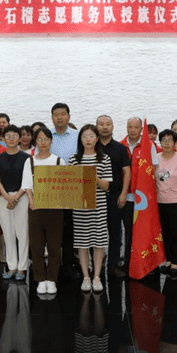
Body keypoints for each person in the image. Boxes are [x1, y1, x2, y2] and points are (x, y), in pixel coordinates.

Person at [68, 124, 113, 293]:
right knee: (82, 242)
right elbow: (69, 185)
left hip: (99, 206)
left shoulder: (104, 158)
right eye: (85, 136)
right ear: (80, 139)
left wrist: (95, 177)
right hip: (80, 207)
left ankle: (97, 277)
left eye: (91, 136)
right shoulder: (74, 159)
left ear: (97, 139)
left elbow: (106, 186)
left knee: (98, 242)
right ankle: (86, 276)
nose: (88, 139)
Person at [21, 127, 65, 295]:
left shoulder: (59, 161)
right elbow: (27, 185)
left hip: (55, 209)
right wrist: (31, 201)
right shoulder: (30, 161)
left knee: (54, 245)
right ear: (35, 142)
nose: (43, 142)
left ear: (51, 141)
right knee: (37, 245)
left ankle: (52, 278)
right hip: (36, 208)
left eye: (46, 139)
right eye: (40, 139)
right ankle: (40, 278)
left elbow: (65, 186)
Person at [119, 117, 159, 277]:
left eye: (136, 127)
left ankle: (148, 262)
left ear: (141, 129)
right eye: (130, 127)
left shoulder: (149, 145)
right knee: (128, 231)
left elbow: (154, 169)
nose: (133, 130)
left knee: (144, 231)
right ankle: (128, 262)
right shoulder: (120, 146)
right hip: (127, 196)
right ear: (126, 128)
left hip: (143, 198)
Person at [0, 125, 32, 281]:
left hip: (22, 197)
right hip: (3, 199)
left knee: (22, 234)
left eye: (14, 136)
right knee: (8, 234)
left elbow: (28, 180)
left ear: (19, 138)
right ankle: (11, 266)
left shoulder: (26, 158)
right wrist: (6, 196)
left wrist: (16, 196)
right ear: (3, 139)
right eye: (8, 136)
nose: (11, 139)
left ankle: (22, 267)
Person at [96, 115, 131, 278]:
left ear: (112, 127)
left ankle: (113, 264)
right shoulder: (91, 147)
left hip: (115, 195)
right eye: (101, 124)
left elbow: (127, 172)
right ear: (96, 127)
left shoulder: (120, 148)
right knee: (95, 231)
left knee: (115, 231)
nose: (105, 127)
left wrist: (123, 193)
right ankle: (96, 264)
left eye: (108, 124)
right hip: (95, 195)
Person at [50, 103, 81, 279]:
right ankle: (54, 266)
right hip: (52, 188)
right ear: (52, 117)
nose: (60, 117)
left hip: (73, 188)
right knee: (54, 229)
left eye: (63, 114)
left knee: (70, 228)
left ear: (69, 116)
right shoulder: (46, 136)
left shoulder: (78, 136)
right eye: (56, 114)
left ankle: (69, 265)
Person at [155, 129, 177, 279]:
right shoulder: (156, 158)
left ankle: (175, 262)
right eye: (164, 140)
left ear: (175, 142)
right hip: (160, 201)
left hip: (176, 201)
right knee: (165, 233)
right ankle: (168, 260)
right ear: (160, 142)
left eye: (170, 140)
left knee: (176, 233)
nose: (167, 143)